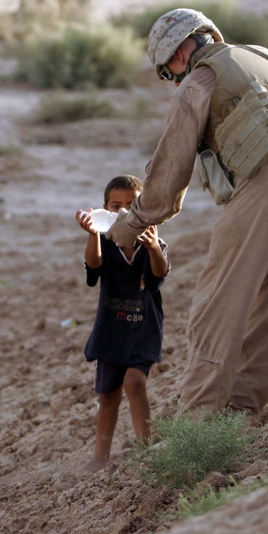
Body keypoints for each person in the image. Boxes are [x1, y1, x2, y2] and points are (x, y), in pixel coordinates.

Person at [106, 8, 268, 420]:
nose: (174, 80)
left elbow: (168, 176)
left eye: (168, 72)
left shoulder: (201, 80)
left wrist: (129, 226)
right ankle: (240, 418)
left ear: (181, 53)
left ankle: (199, 426)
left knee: (218, 310)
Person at [76, 175, 170, 471]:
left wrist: (154, 247)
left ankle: (146, 449)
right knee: (107, 395)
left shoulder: (152, 239)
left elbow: (158, 276)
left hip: (143, 327)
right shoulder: (104, 242)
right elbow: (94, 268)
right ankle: (100, 455)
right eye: (115, 206)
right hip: (112, 329)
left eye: (131, 206)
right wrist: (92, 234)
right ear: (104, 209)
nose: (123, 213)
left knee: (135, 381)